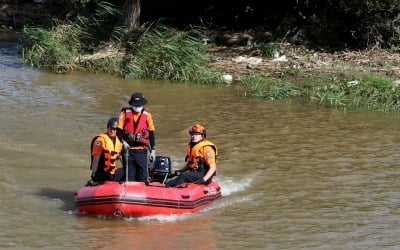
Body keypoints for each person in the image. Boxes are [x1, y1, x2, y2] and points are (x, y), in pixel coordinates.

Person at [117, 92, 156, 182]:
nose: (137, 107)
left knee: (142, 177)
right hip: (128, 150)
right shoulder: (124, 113)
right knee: (129, 176)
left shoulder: (147, 116)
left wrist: (153, 150)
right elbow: (119, 131)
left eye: (139, 105)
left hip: (141, 150)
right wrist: (123, 142)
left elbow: (151, 133)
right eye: (136, 105)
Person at [89, 117, 123, 184]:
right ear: (108, 128)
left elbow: (121, 157)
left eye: (115, 129)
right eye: (111, 128)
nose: (113, 131)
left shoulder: (119, 141)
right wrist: (93, 174)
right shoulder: (100, 140)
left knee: (128, 172)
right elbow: (96, 158)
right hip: (102, 173)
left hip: (112, 173)